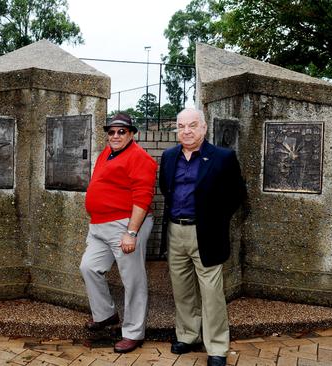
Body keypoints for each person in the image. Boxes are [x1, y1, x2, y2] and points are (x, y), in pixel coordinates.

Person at [159, 108, 246, 366]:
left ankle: (217, 347)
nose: (186, 131)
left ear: (204, 128)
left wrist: (215, 219)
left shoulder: (223, 157)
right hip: (176, 231)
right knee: (182, 289)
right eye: (181, 126)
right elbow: (167, 189)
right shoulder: (169, 156)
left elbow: (236, 194)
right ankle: (187, 335)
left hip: (206, 233)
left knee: (211, 293)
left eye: (192, 125)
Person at [79, 113, 157, 353]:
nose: (115, 135)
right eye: (111, 131)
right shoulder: (107, 152)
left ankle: (133, 332)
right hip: (100, 226)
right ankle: (106, 315)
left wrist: (131, 233)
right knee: (89, 267)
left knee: (133, 280)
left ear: (132, 134)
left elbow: (143, 198)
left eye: (121, 131)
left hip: (125, 225)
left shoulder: (140, 158)